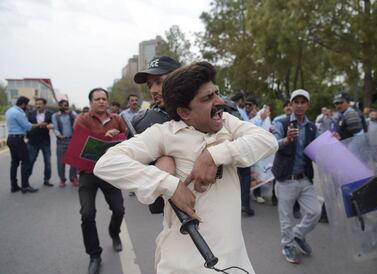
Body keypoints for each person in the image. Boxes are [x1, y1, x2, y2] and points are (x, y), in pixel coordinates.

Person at [94, 61, 277, 273]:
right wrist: (168, 184)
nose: (219, 102)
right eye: (208, 98)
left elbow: (267, 141)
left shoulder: (226, 121)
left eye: (216, 93)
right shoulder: (163, 133)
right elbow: (107, 163)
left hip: (235, 261)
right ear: (184, 112)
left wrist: (214, 154)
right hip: (183, 264)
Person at [73, 88, 126, 274]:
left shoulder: (118, 119)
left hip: (110, 172)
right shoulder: (82, 119)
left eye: (104, 98)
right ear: (91, 102)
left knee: (119, 209)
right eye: (97, 99)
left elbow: (127, 141)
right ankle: (94, 255)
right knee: (87, 214)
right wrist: (105, 137)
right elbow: (81, 143)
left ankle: (114, 233)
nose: (101, 101)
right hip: (87, 173)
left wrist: (118, 137)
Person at [273, 89, 321, 264]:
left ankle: (298, 234)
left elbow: (321, 149)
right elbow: (273, 145)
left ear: (308, 105)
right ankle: (287, 245)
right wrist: (286, 140)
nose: (299, 105)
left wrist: (334, 140)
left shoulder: (312, 127)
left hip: (304, 179)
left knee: (315, 212)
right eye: (296, 102)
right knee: (286, 219)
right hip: (285, 180)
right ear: (291, 104)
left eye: (303, 102)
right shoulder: (281, 122)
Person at [127, 56, 181, 199]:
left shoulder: (211, 108)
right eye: (150, 85)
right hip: (171, 211)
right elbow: (132, 166)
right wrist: (153, 169)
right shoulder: (141, 123)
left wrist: (211, 154)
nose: (154, 90)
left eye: (159, 82)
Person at [5, 96, 46, 193]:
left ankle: (14, 186)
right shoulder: (18, 113)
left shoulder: (9, 111)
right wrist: (40, 124)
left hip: (11, 138)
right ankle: (25, 186)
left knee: (14, 163)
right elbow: (28, 127)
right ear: (23, 104)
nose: (28, 107)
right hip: (18, 140)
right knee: (26, 162)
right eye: (27, 105)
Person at [230, 91, 255, 216]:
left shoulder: (228, 109)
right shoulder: (238, 111)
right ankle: (245, 205)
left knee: (236, 178)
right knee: (245, 178)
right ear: (240, 100)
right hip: (241, 148)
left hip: (232, 148)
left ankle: (237, 204)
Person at [27, 98, 54, 186]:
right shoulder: (30, 113)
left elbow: (54, 124)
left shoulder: (50, 114)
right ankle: (25, 180)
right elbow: (26, 125)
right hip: (32, 142)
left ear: (44, 105)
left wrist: (49, 125)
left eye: (40, 104)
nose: (38, 105)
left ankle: (47, 180)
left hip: (45, 141)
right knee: (30, 161)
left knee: (48, 162)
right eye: (37, 104)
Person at [52, 99, 78, 187]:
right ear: (59, 106)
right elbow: (55, 128)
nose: (64, 107)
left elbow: (78, 120)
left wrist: (71, 113)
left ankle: (73, 177)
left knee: (74, 160)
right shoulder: (55, 116)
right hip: (61, 141)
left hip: (72, 140)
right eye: (62, 105)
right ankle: (62, 179)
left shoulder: (72, 114)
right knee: (61, 161)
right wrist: (59, 135)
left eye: (66, 105)